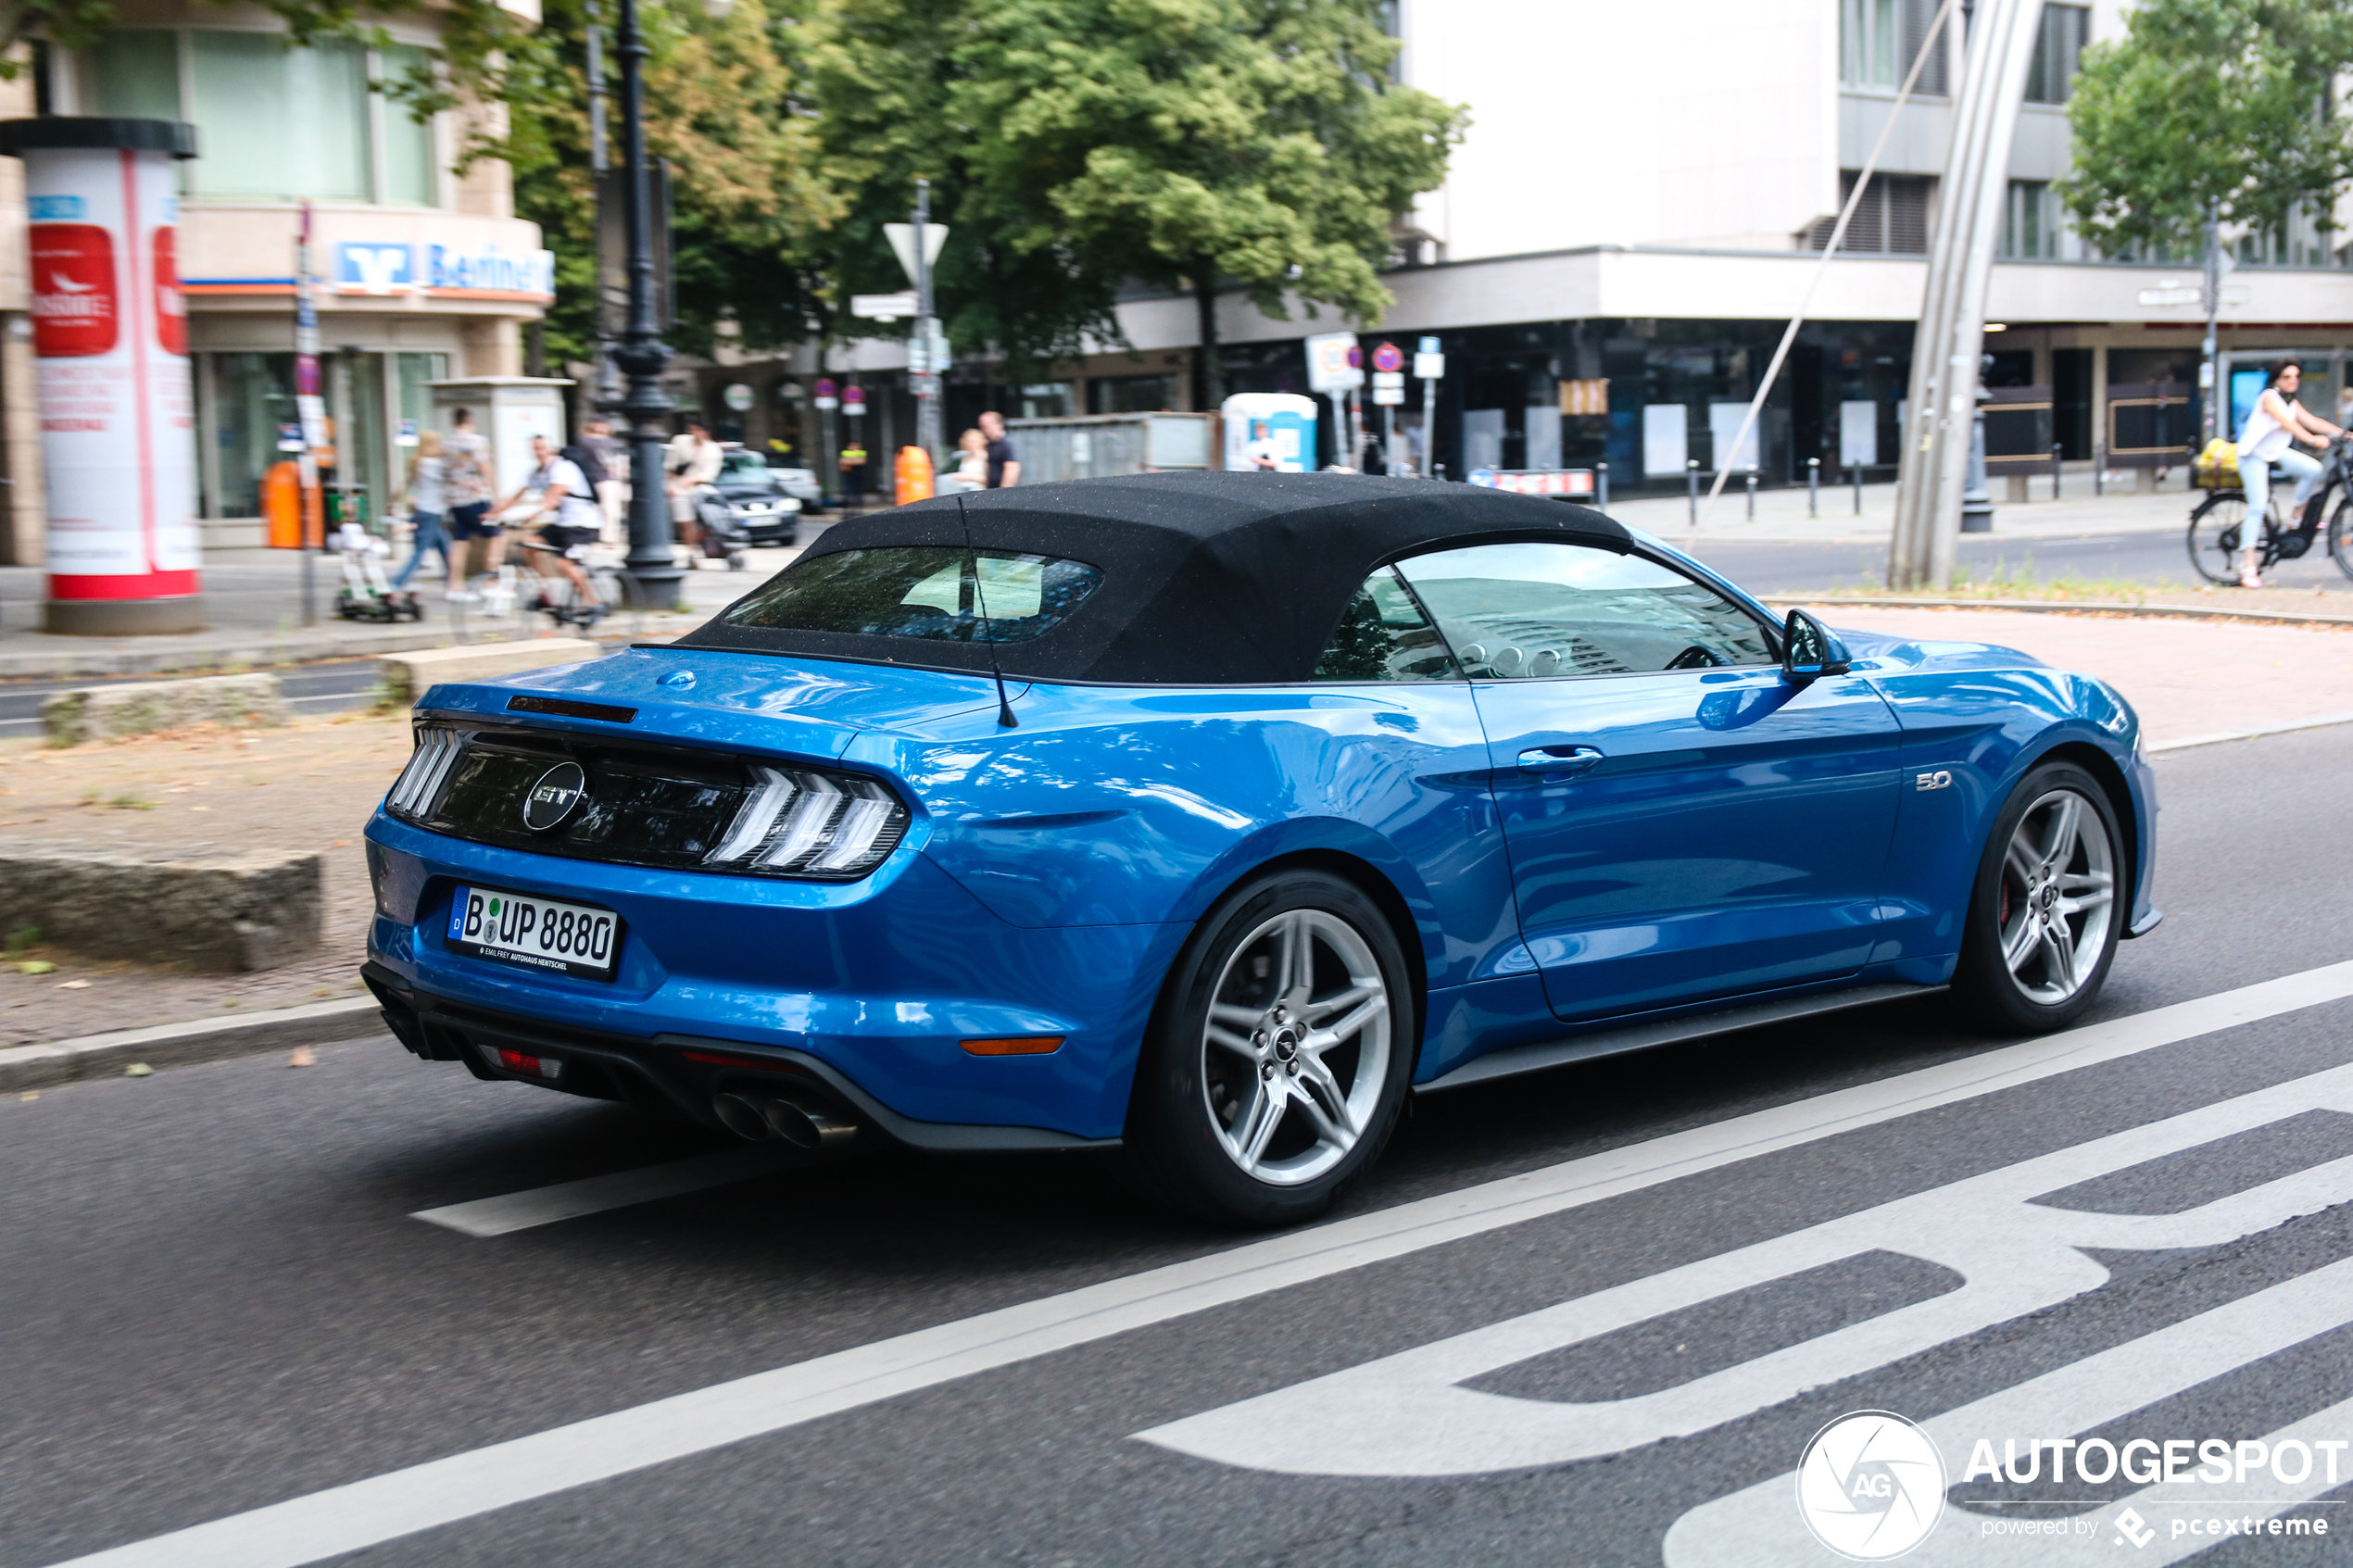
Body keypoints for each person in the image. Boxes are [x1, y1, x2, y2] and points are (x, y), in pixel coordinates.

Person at [2233, 358, 2344, 587]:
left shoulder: (2290, 401)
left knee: (2313, 469)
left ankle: (2295, 519)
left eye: (2296, 376)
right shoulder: (2269, 397)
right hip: (2253, 455)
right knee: (2258, 506)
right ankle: (2247, 566)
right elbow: (2288, 423)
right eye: (2287, 376)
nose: (2293, 380)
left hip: (2274, 453)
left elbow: (2312, 421)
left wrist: (2343, 434)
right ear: (2276, 379)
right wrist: (2312, 440)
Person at [497, 434, 606, 613]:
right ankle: (545, 596)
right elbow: (518, 495)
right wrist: (495, 512)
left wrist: (537, 513)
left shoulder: (563, 468)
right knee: (529, 544)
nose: (538, 452)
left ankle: (594, 603)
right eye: (535, 449)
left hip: (583, 524)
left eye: (541, 448)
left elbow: (554, 496)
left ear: (551, 449)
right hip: (563, 523)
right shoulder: (539, 472)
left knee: (564, 564)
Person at [442, 408, 500, 599]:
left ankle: (454, 586)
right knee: (497, 537)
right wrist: (495, 496)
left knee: (460, 542)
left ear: (454, 422)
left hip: (455, 500)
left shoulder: (447, 444)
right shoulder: (477, 442)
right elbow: (486, 469)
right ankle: (491, 583)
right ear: (470, 421)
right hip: (476, 497)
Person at [389, 430, 450, 591]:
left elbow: (404, 485)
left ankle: (452, 582)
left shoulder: (418, 462)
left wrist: (391, 504)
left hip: (424, 510)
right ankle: (396, 583)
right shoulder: (436, 464)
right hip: (432, 512)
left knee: (445, 547)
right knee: (420, 553)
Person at [666, 418, 723, 554]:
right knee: (685, 523)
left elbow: (710, 473)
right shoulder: (680, 441)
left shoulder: (713, 449)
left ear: (706, 432)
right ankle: (691, 551)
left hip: (701, 488)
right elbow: (670, 466)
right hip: (679, 488)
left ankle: (696, 545)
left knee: (711, 521)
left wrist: (693, 480)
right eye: (692, 429)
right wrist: (670, 485)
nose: (694, 433)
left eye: (698, 430)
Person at [581, 415, 627, 541]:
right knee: (603, 509)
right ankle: (603, 537)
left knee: (613, 510)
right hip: (595, 476)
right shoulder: (585, 440)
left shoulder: (611, 441)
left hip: (612, 478)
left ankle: (610, 536)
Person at [979, 409, 1020, 487]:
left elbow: (1012, 469)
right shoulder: (989, 444)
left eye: (985, 426)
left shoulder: (1006, 444)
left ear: (998, 425)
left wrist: (1003, 493)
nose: (983, 430)